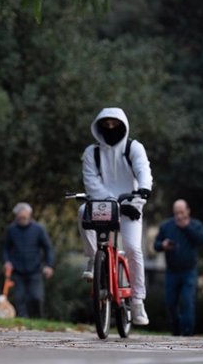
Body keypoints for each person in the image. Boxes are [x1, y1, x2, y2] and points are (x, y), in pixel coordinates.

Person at [78, 107, 153, 326]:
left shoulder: (134, 147)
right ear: (99, 127)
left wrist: (143, 191)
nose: (110, 128)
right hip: (104, 203)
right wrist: (112, 203)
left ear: (123, 125)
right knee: (83, 212)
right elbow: (91, 183)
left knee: (132, 248)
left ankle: (138, 301)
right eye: (106, 124)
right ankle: (94, 258)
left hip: (131, 204)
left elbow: (143, 171)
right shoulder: (92, 152)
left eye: (114, 124)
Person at [154, 199, 203, 336]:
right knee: (170, 303)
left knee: (187, 301)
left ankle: (187, 332)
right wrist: (163, 245)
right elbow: (156, 245)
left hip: (189, 271)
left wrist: (186, 227)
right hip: (171, 272)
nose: (179, 216)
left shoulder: (195, 225)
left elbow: (202, 240)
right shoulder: (166, 226)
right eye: (176, 213)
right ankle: (176, 331)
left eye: (182, 212)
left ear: (188, 211)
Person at [2, 202, 54, 318]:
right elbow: (5, 248)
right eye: (20, 218)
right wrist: (7, 261)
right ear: (16, 217)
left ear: (30, 216)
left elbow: (48, 248)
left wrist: (49, 265)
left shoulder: (38, 229)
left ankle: (38, 319)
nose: (22, 220)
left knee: (36, 297)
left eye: (24, 218)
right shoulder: (11, 230)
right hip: (17, 270)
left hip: (35, 270)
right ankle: (22, 321)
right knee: (19, 298)